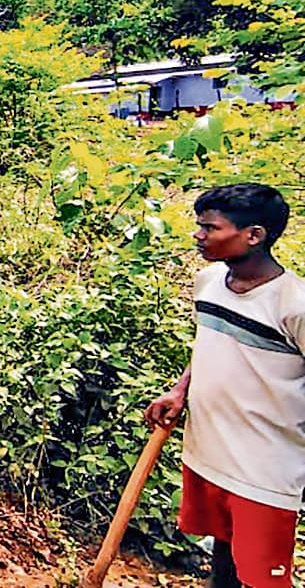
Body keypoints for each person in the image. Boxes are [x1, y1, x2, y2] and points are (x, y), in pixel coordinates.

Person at [145, 184, 303, 588]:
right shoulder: (209, 282)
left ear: (254, 235)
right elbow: (211, 342)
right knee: (225, 557)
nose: (198, 235)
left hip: (266, 467)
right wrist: (180, 390)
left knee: (264, 576)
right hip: (210, 451)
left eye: (210, 228)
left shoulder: (293, 304)